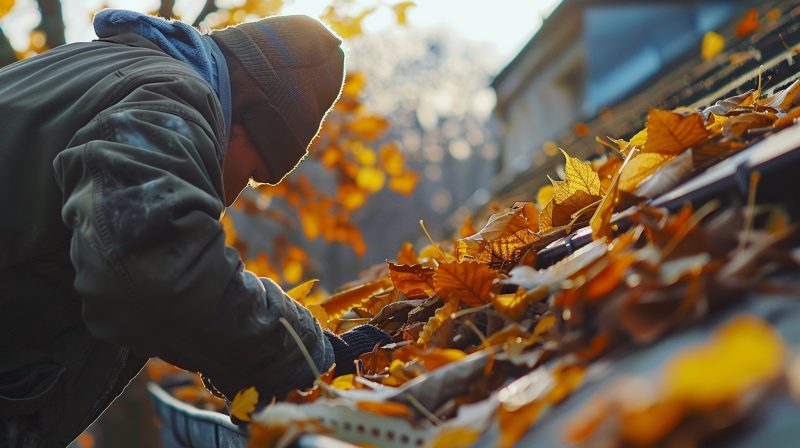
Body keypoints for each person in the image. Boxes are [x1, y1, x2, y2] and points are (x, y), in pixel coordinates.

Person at [0, 9, 390, 447]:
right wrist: (309, 359)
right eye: (254, 171)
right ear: (243, 116)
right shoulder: (170, 96)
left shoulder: (93, 67)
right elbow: (155, 265)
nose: (232, 197)